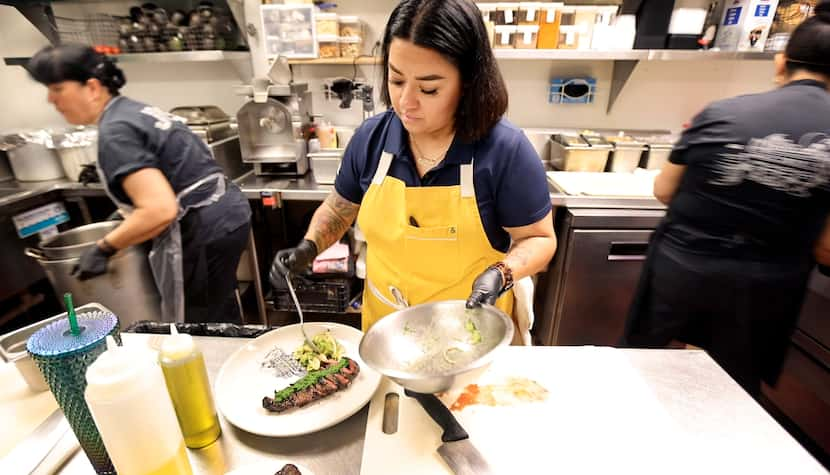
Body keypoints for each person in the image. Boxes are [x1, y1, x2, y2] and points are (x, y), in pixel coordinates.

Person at [269, 0, 557, 334]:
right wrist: (308, 247)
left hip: (469, 330)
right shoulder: (371, 139)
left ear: (468, 83)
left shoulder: (504, 150)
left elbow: (539, 238)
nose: (406, 102)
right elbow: (339, 209)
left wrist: (502, 273)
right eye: (396, 80)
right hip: (386, 330)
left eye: (429, 88)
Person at [622, 4, 830, 397]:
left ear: (781, 61)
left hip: (682, 269)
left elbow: (664, 190)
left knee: (646, 365)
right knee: (731, 390)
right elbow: (826, 247)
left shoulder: (723, 112)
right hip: (764, 286)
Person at [28, 44, 252, 324]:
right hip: (226, 213)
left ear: (92, 87)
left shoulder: (116, 132)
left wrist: (104, 248)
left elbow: (160, 210)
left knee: (203, 319)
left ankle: (213, 361)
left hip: (203, 225)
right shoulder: (133, 110)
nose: (51, 100)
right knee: (218, 304)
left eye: (58, 89)